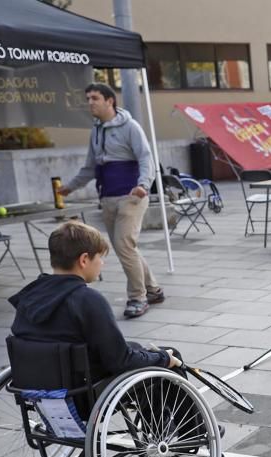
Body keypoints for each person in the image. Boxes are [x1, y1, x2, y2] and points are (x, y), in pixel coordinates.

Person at [9, 221, 181, 382]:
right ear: (84, 260)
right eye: (100, 257)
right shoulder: (87, 300)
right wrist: (164, 358)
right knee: (170, 356)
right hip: (85, 390)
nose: (102, 264)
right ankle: (177, 415)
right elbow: (120, 361)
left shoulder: (29, 295)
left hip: (39, 383)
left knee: (136, 347)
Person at [57, 83, 162, 319]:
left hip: (131, 196)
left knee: (124, 245)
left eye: (94, 98)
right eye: (88, 98)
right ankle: (153, 289)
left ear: (109, 101)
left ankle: (138, 297)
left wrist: (143, 185)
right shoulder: (96, 130)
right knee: (126, 248)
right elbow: (90, 167)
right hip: (108, 196)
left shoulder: (130, 127)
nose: (90, 103)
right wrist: (70, 187)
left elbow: (146, 158)